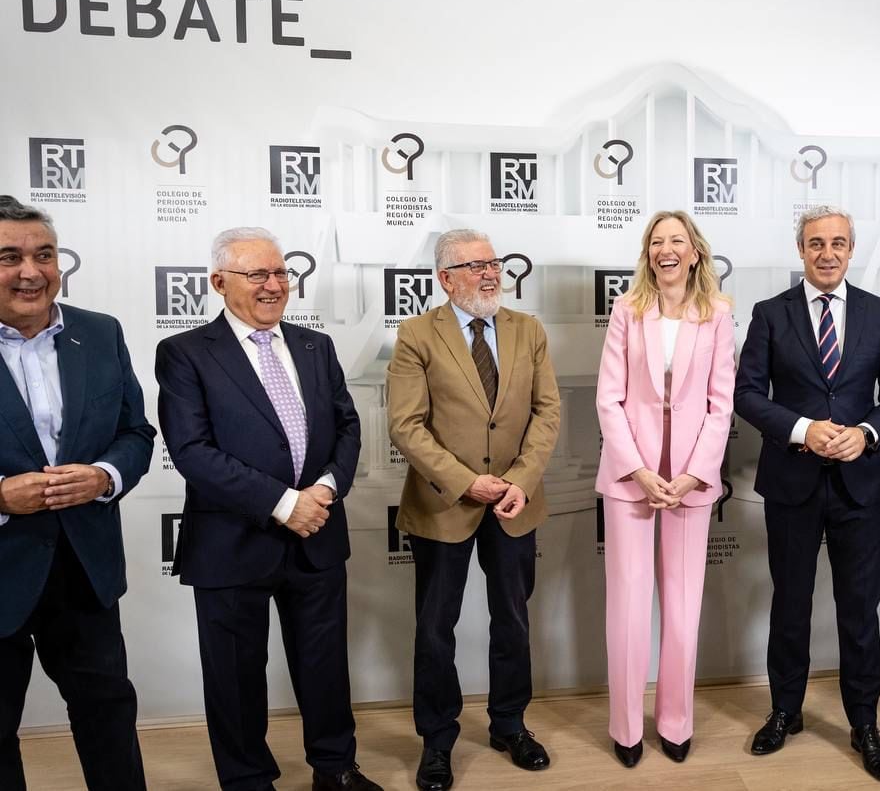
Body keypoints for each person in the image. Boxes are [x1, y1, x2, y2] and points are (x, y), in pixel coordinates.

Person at [155, 227, 378, 791]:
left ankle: (336, 768)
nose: (274, 284)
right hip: (231, 542)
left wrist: (323, 491)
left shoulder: (314, 345)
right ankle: (249, 780)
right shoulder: (184, 353)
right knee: (234, 676)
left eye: (281, 273)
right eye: (258, 274)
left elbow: (348, 426)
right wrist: (283, 504)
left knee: (325, 666)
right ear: (219, 282)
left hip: (319, 534)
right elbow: (192, 451)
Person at [734, 205, 880, 782]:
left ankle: (864, 723)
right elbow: (748, 394)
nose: (827, 252)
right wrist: (801, 429)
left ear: (851, 248)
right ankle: (786, 710)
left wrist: (865, 434)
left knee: (859, 612)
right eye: (815, 243)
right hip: (793, 482)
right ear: (801, 250)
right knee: (791, 605)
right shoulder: (770, 314)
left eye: (837, 242)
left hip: (858, 487)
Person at [387, 228, 561, 791]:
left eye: (495, 262)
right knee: (436, 629)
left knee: (513, 621)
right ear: (446, 278)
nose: (491, 273)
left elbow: (547, 412)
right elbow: (406, 425)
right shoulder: (416, 334)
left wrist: (518, 480)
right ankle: (437, 741)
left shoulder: (527, 330)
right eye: (476, 265)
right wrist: (468, 482)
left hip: (515, 503)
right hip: (444, 506)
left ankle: (509, 724)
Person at [0, 196, 155, 791]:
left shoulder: (100, 332)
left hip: (83, 567)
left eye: (43, 254)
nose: (30, 271)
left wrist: (104, 477)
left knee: (109, 715)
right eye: (9, 257)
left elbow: (135, 434)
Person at [595, 210, 735, 768]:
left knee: (682, 609)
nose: (666, 249)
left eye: (677, 240)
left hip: (689, 483)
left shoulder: (718, 313)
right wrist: (637, 469)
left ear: (695, 251)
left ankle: (676, 723)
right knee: (627, 609)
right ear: (648, 253)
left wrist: (695, 472)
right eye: (657, 242)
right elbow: (610, 397)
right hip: (633, 481)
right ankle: (626, 729)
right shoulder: (628, 310)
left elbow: (721, 403)